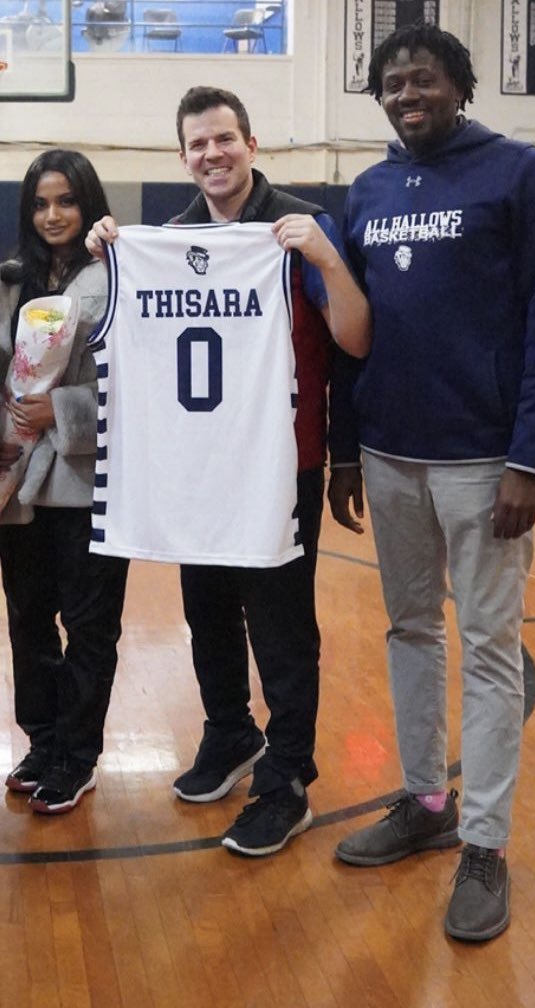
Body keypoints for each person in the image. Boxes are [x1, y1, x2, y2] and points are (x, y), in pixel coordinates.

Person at [330, 26, 535, 940]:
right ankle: (425, 802)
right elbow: (348, 336)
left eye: (422, 78)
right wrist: (345, 448)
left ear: (458, 84)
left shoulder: (518, 174)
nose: (406, 93)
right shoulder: (366, 190)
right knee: (408, 631)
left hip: (483, 463)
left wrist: (529, 460)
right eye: (391, 83)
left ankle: (485, 845)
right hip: (392, 454)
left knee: (485, 645)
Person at [87, 86, 372, 856]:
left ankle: (287, 779)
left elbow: (353, 339)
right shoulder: (168, 238)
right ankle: (229, 734)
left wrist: (322, 254)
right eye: (197, 145)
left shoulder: (295, 228)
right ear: (182, 157)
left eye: (224, 139)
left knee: (280, 630)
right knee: (205, 612)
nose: (212, 154)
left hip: (281, 468)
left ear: (250, 144)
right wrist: (110, 251)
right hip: (196, 466)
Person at [0, 149, 129, 814]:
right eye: (41, 203)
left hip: (87, 479)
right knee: (28, 620)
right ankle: (42, 739)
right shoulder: (11, 279)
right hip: (20, 480)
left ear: (89, 204)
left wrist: (65, 410)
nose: (53, 215)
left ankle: (78, 754)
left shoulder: (118, 275)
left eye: (66, 201)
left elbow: (140, 387)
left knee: (89, 623)